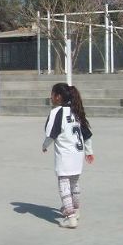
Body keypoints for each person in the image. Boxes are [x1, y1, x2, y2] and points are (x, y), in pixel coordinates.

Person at [42, 83, 94, 229]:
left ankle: (70, 217)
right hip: (78, 154)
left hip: (65, 156)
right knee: (75, 183)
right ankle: (76, 210)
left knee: (63, 184)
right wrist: (89, 152)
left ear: (58, 97)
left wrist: (45, 145)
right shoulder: (75, 111)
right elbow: (87, 135)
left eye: (52, 94)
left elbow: (51, 134)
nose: (50, 97)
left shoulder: (57, 112)